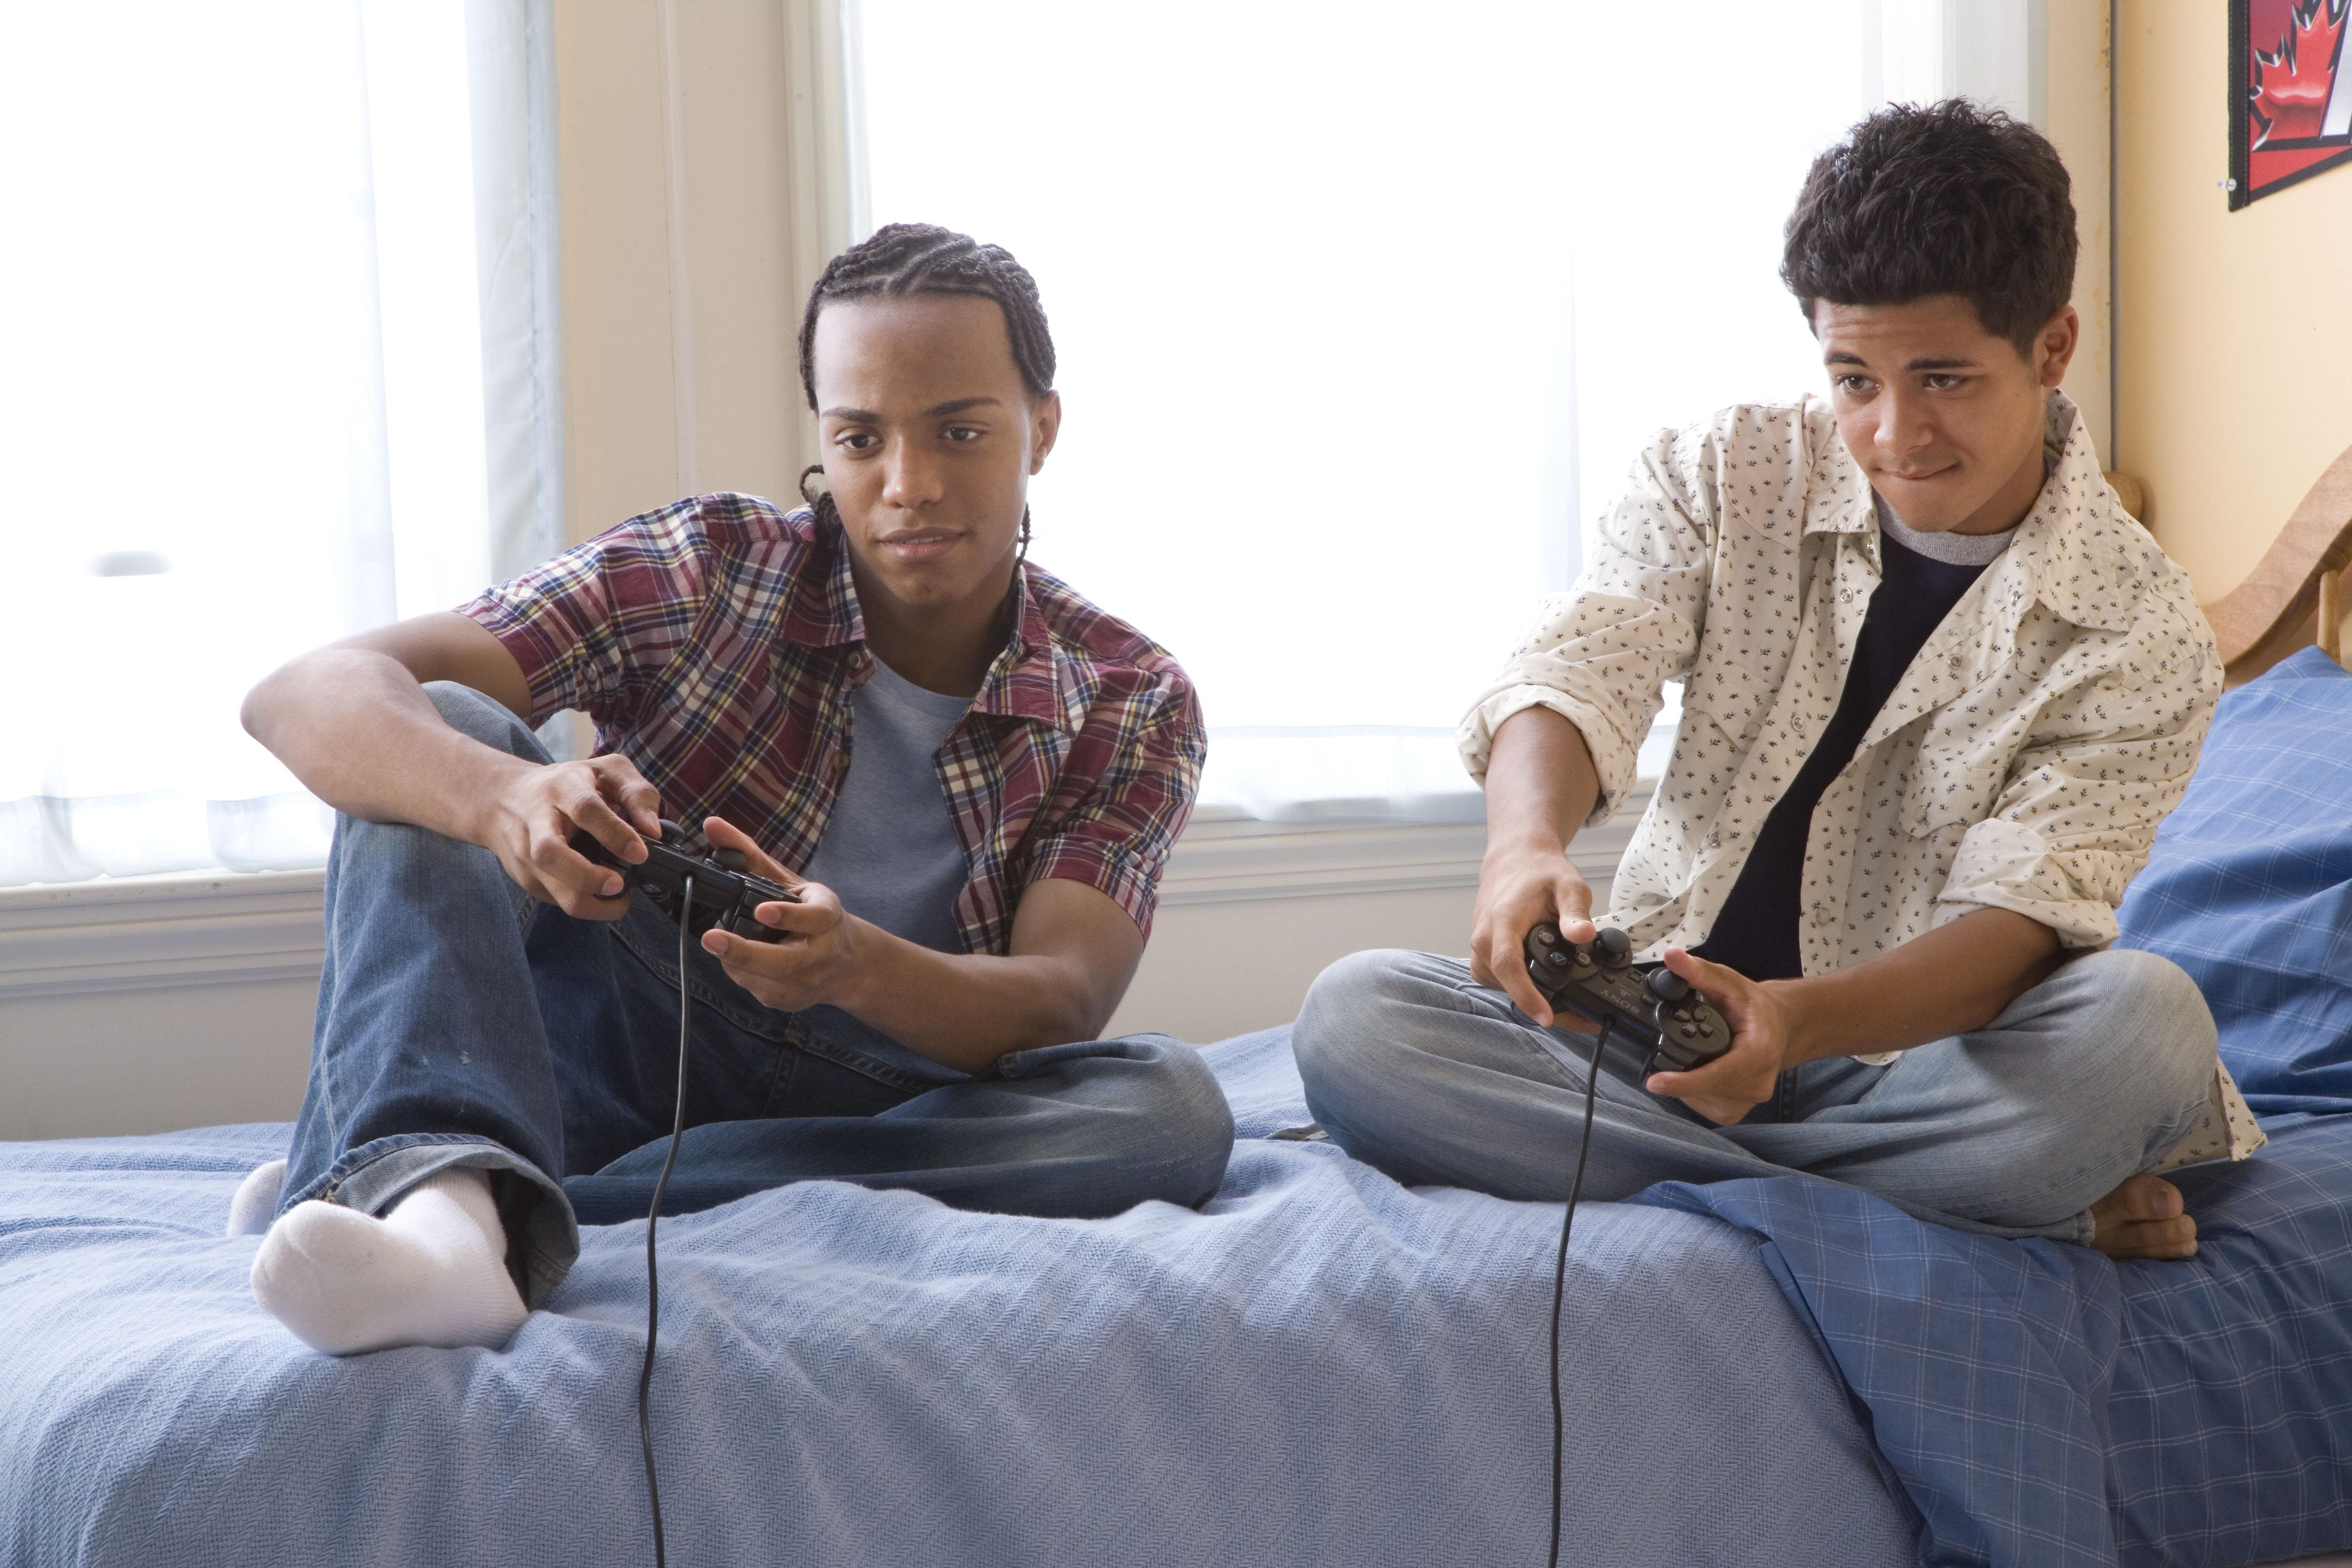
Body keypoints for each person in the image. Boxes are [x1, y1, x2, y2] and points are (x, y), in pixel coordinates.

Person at [235, 223, 1233, 1355]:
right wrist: (508, 796)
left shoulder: (1129, 692)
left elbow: (1060, 996)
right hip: (636, 1022)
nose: (909, 485)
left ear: (1041, 429)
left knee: (1169, 1110)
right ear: (823, 438)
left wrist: (854, 961)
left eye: (960, 431)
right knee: (447, 730)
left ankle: (452, 1180)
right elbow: (303, 692)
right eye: (862, 438)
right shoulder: (709, 564)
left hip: (887, 1085)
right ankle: (434, 1202)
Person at [1290, 101, 2263, 1261]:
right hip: (1650, 1027)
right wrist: (1523, 846)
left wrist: (1787, 1023)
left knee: (2147, 1026)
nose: (1894, 432)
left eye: (1943, 378)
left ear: (2052, 349)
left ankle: (1784, 1179)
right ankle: (1973, 1206)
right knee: (1356, 1017)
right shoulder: (1722, 469)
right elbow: (1581, 660)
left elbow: (2018, 923)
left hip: (1910, 1068)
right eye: (1854, 377)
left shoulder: (2143, 628)